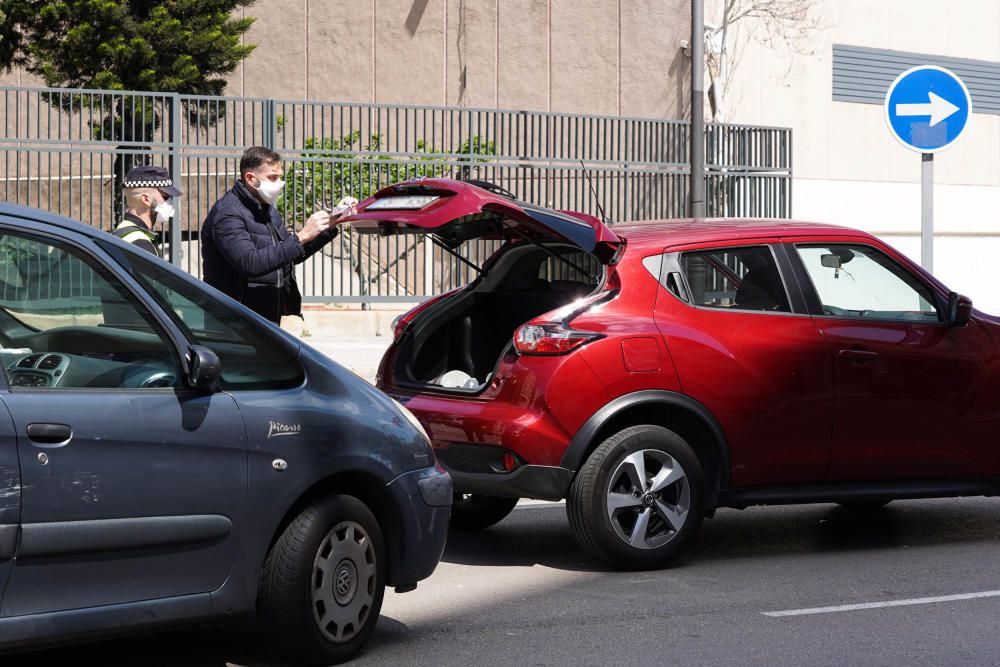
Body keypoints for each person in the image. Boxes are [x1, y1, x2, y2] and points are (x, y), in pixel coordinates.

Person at [201, 146, 354, 324]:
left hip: (266, 316)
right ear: (251, 178)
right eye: (272, 177)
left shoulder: (266, 209)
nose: (279, 183)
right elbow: (249, 263)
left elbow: (287, 255)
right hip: (234, 320)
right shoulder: (228, 213)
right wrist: (301, 236)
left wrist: (328, 225)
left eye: (280, 177)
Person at [113, 165, 183, 257]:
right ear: (146, 199)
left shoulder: (122, 230)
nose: (170, 202)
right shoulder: (140, 244)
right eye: (165, 197)